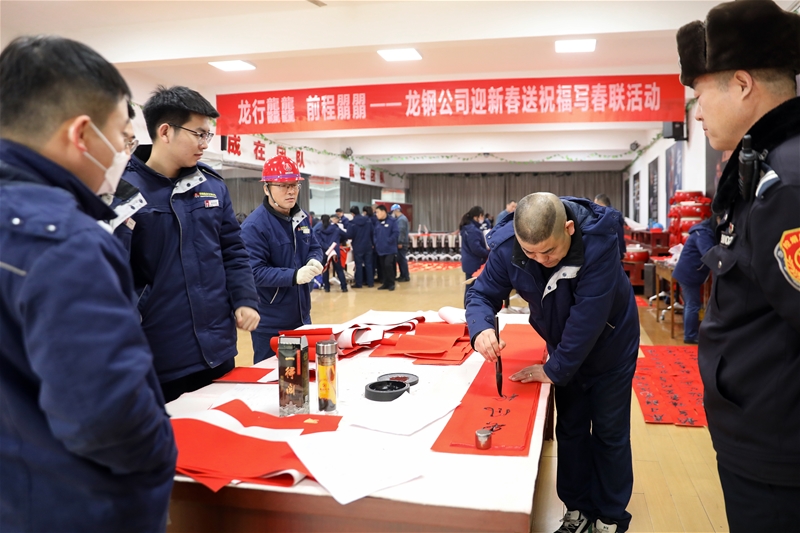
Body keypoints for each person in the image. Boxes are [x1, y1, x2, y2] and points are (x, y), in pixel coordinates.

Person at [0, 35, 176, 532]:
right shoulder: (66, 243)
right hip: (75, 507)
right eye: (122, 136)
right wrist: (159, 456)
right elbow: (107, 417)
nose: (124, 152)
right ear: (82, 134)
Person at [676, 1, 800, 529]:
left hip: (778, 454)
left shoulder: (786, 185)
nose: (698, 113)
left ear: (742, 84)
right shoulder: (764, 165)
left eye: (700, 96)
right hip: (758, 432)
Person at [467, 193, 638, 533]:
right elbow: (481, 293)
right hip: (563, 347)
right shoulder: (509, 247)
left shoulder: (598, 245)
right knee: (571, 428)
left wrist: (554, 369)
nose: (540, 260)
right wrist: (481, 328)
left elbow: (587, 321)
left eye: (548, 251)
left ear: (569, 228)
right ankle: (577, 509)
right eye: (530, 252)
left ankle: (610, 515)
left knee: (609, 431)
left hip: (611, 346)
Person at [119, 85, 259, 402]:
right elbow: (113, 274)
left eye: (208, 134)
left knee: (225, 425)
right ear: (165, 131)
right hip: (160, 351)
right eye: (199, 134)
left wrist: (244, 299)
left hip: (217, 348)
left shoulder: (212, 186)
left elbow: (233, 251)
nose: (205, 144)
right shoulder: (123, 190)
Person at [240, 155, 324, 362]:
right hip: (271, 323)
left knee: (301, 374)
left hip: (302, 317)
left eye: (294, 185)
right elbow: (254, 272)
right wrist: (294, 276)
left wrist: (314, 259)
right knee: (272, 377)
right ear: (266, 188)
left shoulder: (301, 217)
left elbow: (314, 246)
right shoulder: (254, 226)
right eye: (283, 185)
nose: (291, 191)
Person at [671, 217, 716, 344]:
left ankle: (690, 332)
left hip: (688, 273)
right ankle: (690, 335)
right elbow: (708, 253)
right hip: (689, 274)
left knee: (690, 304)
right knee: (692, 305)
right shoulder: (703, 234)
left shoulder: (701, 232)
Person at [460, 206, 490, 306]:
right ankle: (469, 307)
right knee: (472, 288)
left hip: (469, 262)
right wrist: (488, 254)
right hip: (474, 263)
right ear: (477, 216)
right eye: (482, 216)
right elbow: (476, 248)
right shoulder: (473, 230)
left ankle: (469, 307)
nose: (483, 219)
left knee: (470, 287)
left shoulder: (468, 227)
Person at [317, 214, 349, 292]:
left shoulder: (319, 230)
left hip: (325, 252)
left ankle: (327, 288)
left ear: (321, 221)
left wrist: (327, 247)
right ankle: (344, 287)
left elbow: (319, 242)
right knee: (339, 270)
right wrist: (339, 241)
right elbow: (345, 235)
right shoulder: (336, 228)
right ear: (329, 220)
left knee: (325, 270)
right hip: (335, 251)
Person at [347, 205, 374, 288]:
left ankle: (359, 283)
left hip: (358, 246)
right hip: (368, 245)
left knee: (358, 265)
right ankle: (370, 283)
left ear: (352, 213)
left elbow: (349, 235)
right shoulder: (368, 220)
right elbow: (372, 232)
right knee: (369, 264)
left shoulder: (352, 223)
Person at [374, 204, 399, 291]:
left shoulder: (392, 221)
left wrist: (389, 240)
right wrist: (376, 242)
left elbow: (396, 233)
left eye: (377, 212)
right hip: (380, 249)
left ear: (383, 212)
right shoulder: (377, 222)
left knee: (388, 265)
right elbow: (375, 234)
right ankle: (385, 283)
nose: (376, 214)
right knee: (383, 267)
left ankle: (391, 283)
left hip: (390, 249)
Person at [391, 203, 411, 282]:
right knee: (400, 260)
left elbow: (401, 232)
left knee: (402, 260)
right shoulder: (400, 219)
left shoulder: (401, 219)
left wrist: (399, 242)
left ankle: (405, 276)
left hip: (402, 243)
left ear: (396, 211)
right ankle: (403, 275)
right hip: (402, 242)